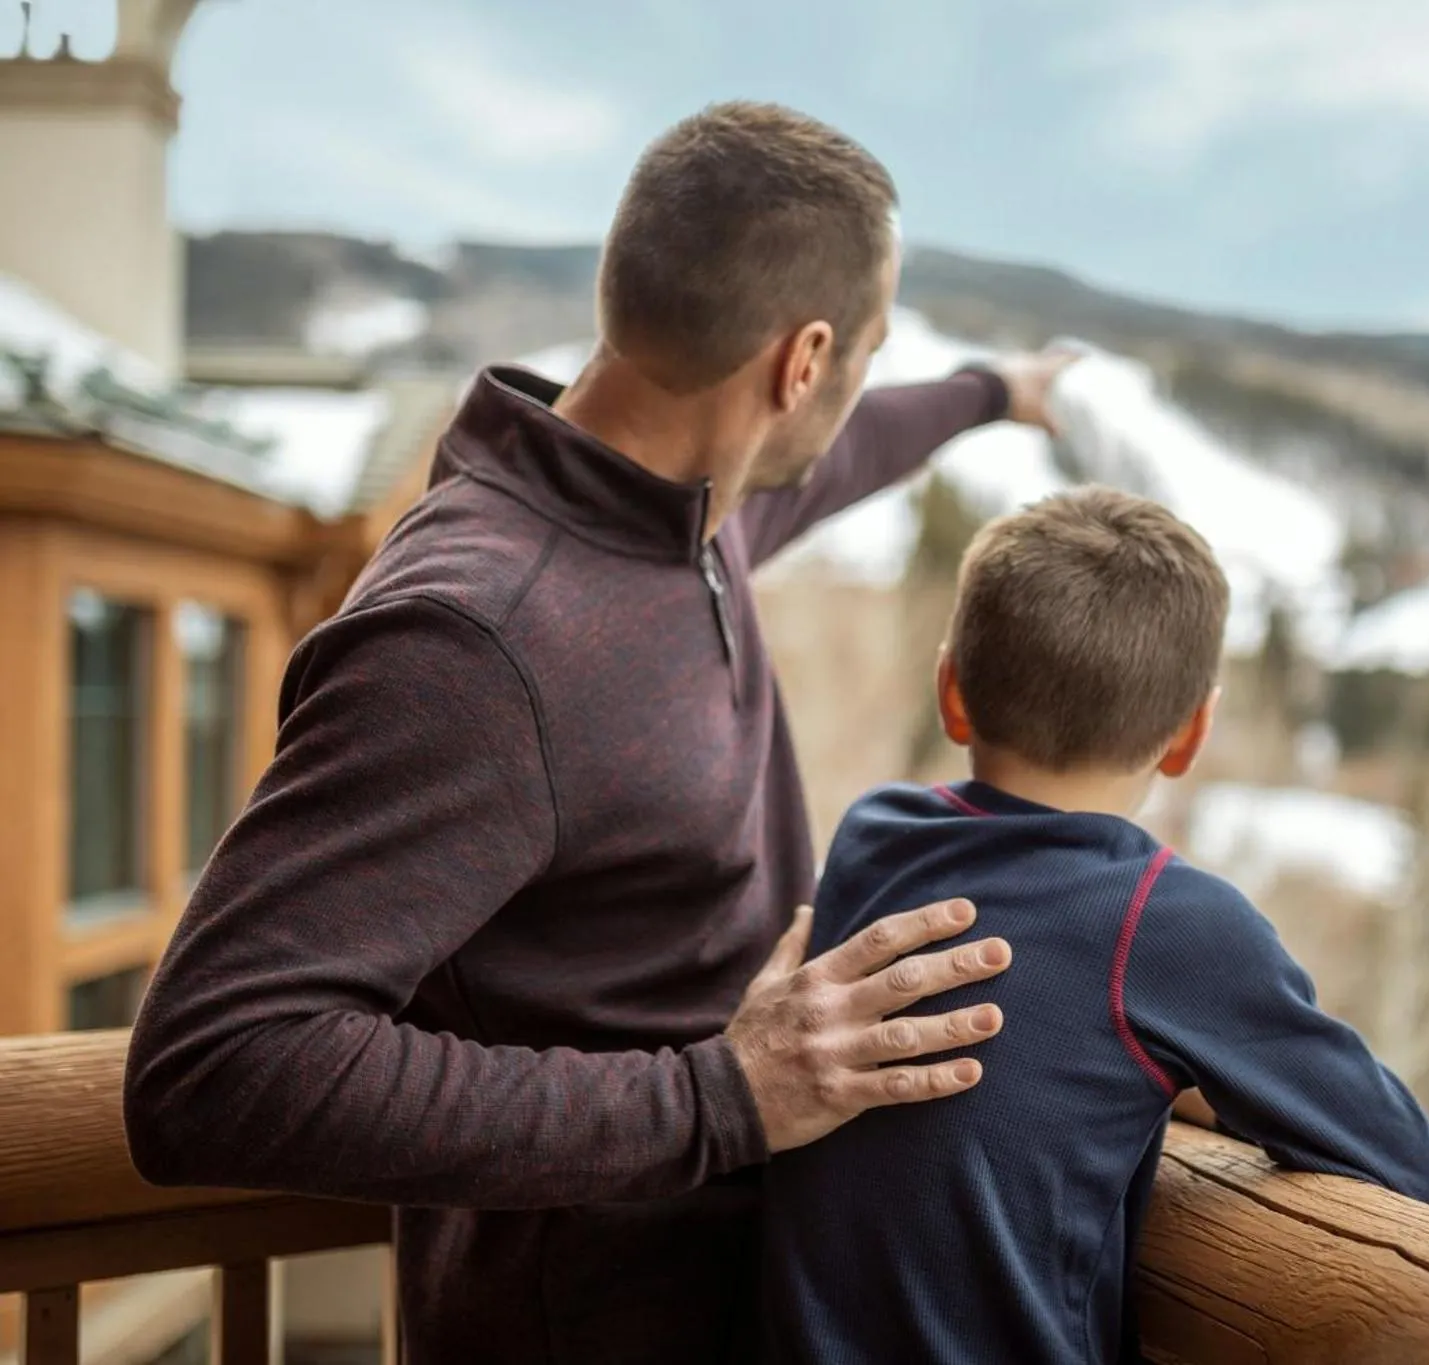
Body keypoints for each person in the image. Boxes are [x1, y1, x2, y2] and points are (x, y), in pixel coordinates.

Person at [122, 102, 1078, 1364]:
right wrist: (723, 1096)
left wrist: (991, 396)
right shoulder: (479, 638)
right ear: (801, 365)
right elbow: (215, 1067)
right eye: (861, 359)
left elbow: (839, 459)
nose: (848, 403)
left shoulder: (690, 512)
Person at [760, 487, 1429, 1365]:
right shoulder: (1167, 922)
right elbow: (1408, 1160)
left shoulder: (878, 832)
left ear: (951, 690)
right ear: (1190, 733)